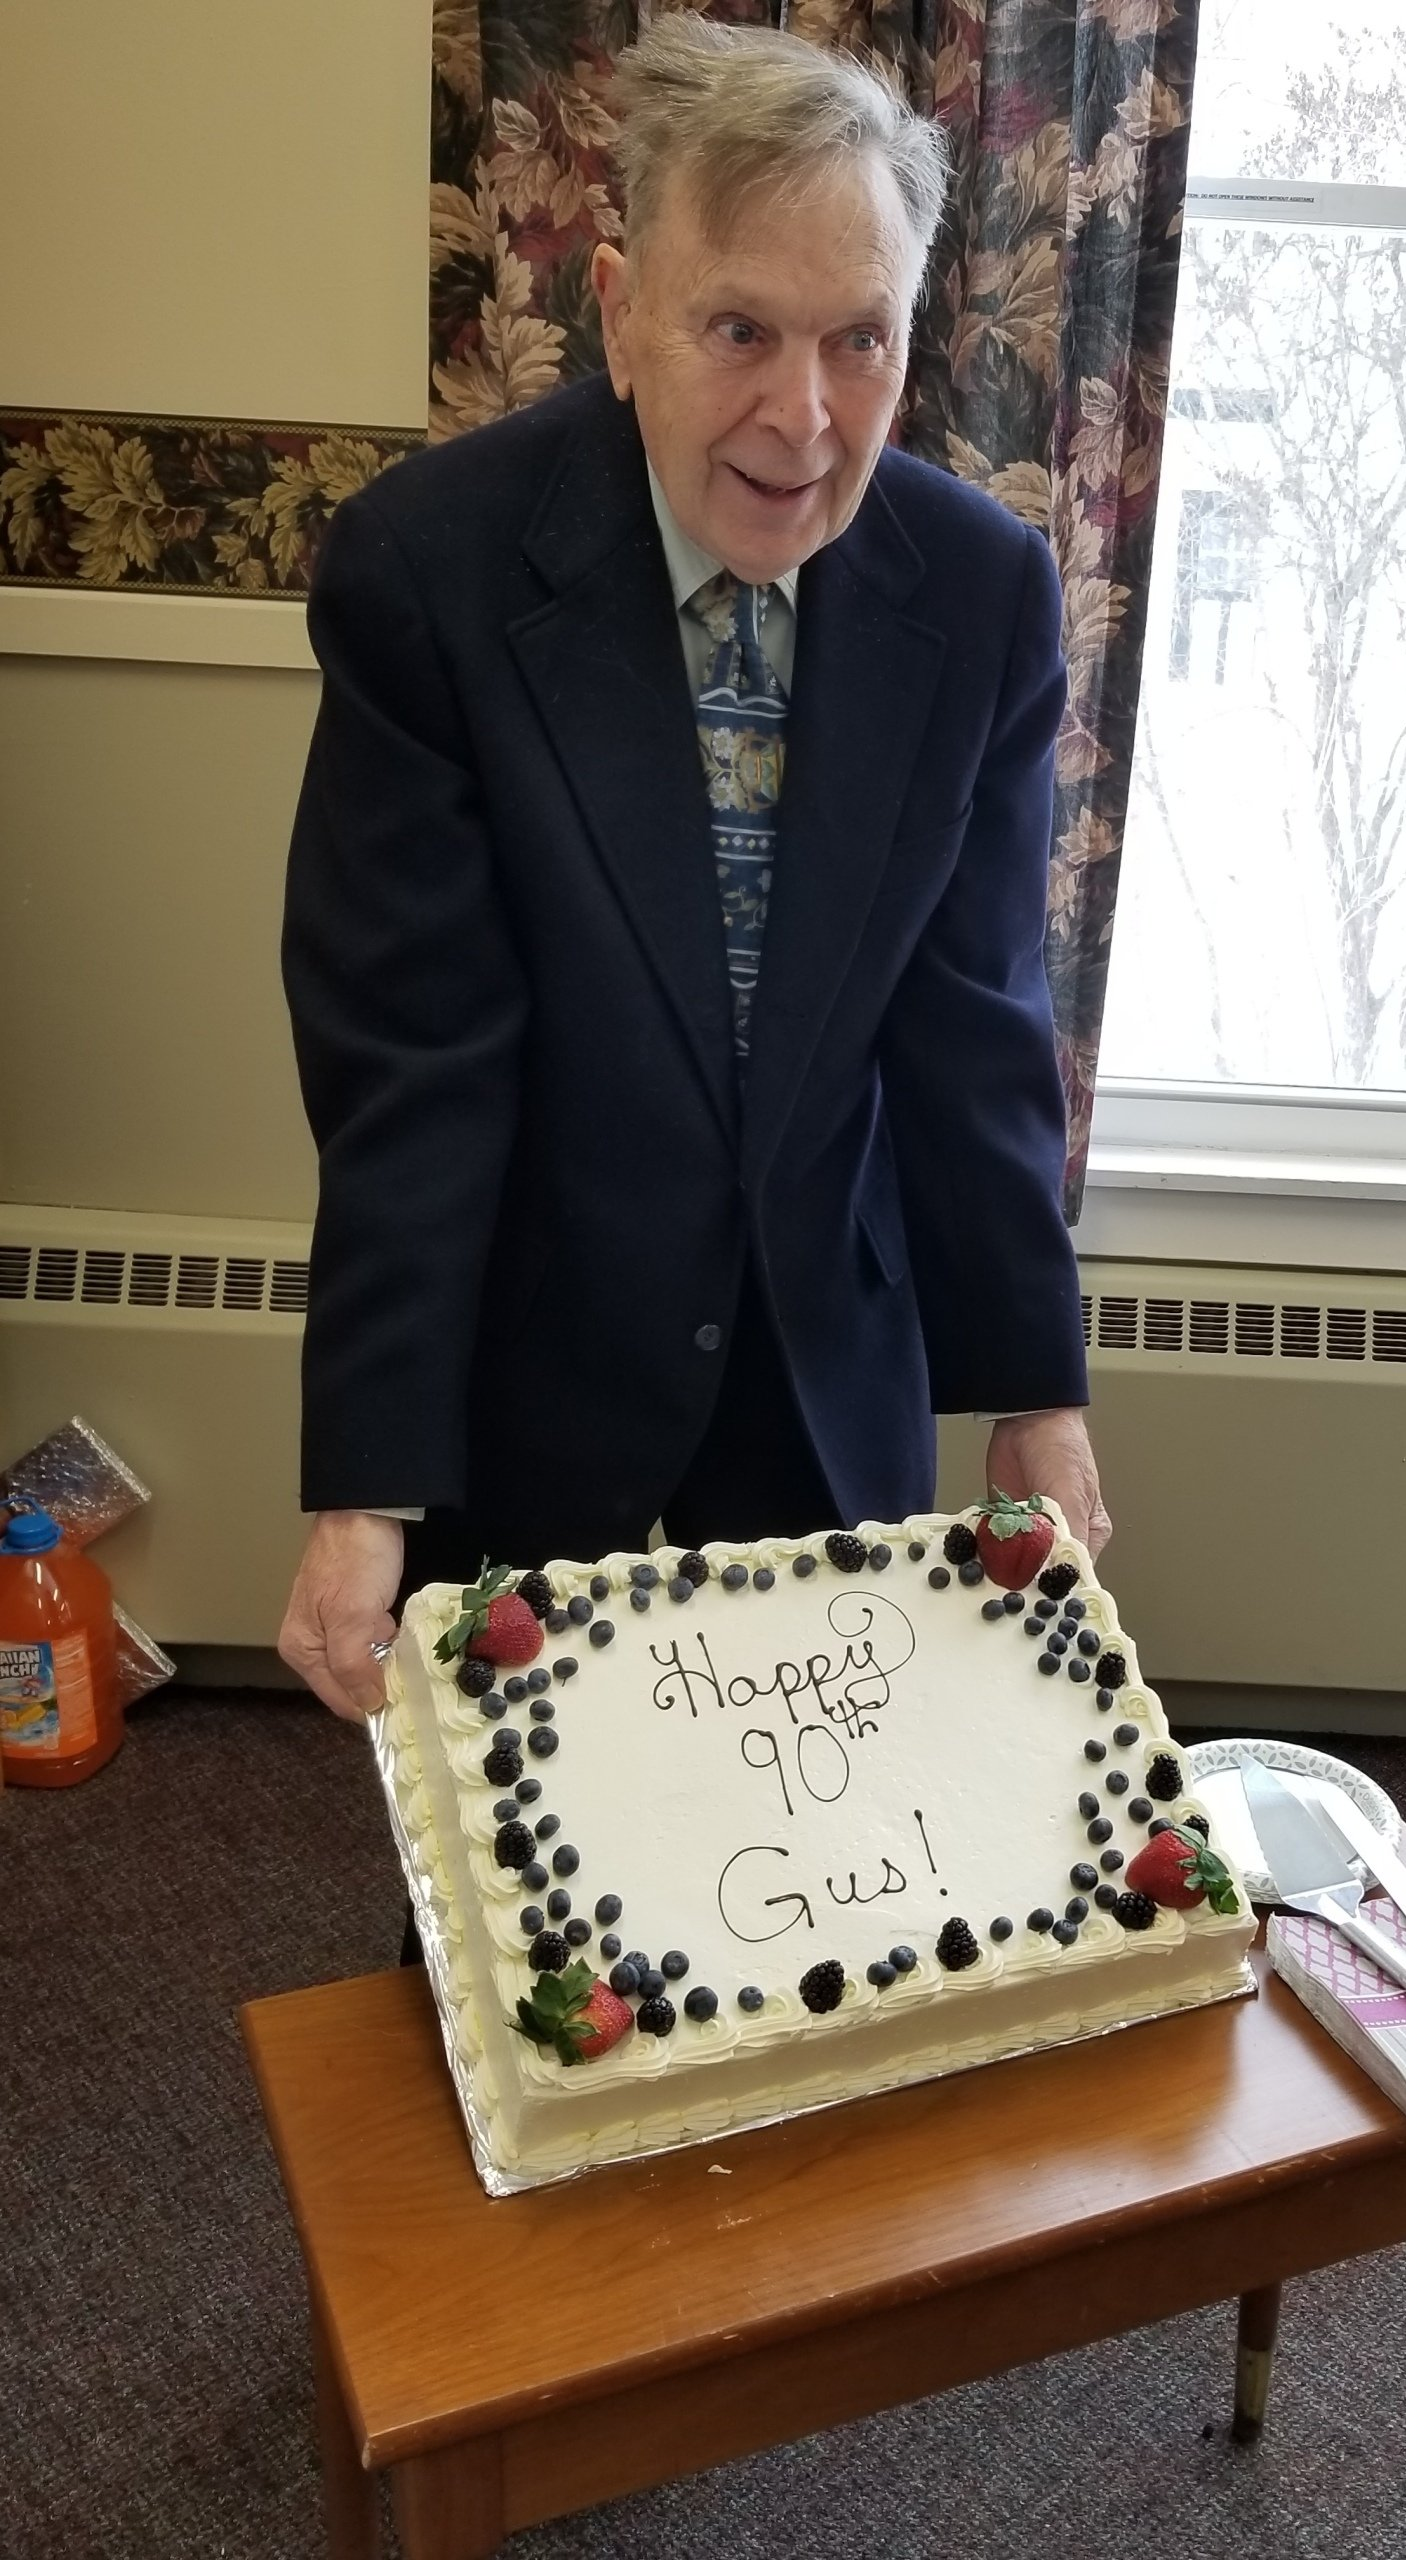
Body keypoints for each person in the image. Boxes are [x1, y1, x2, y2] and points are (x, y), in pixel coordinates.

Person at [277, 18, 1106, 1724]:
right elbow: (414, 1060)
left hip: (824, 1348)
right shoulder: (428, 573)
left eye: (858, 340)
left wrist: (1033, 1388)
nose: (804, 419)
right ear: (619, 311)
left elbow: (973, 1022)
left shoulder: (984, 599)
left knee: (825, 1888)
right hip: (533, 1345)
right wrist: (368, 1485)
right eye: (739, 329)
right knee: (524, 1896)